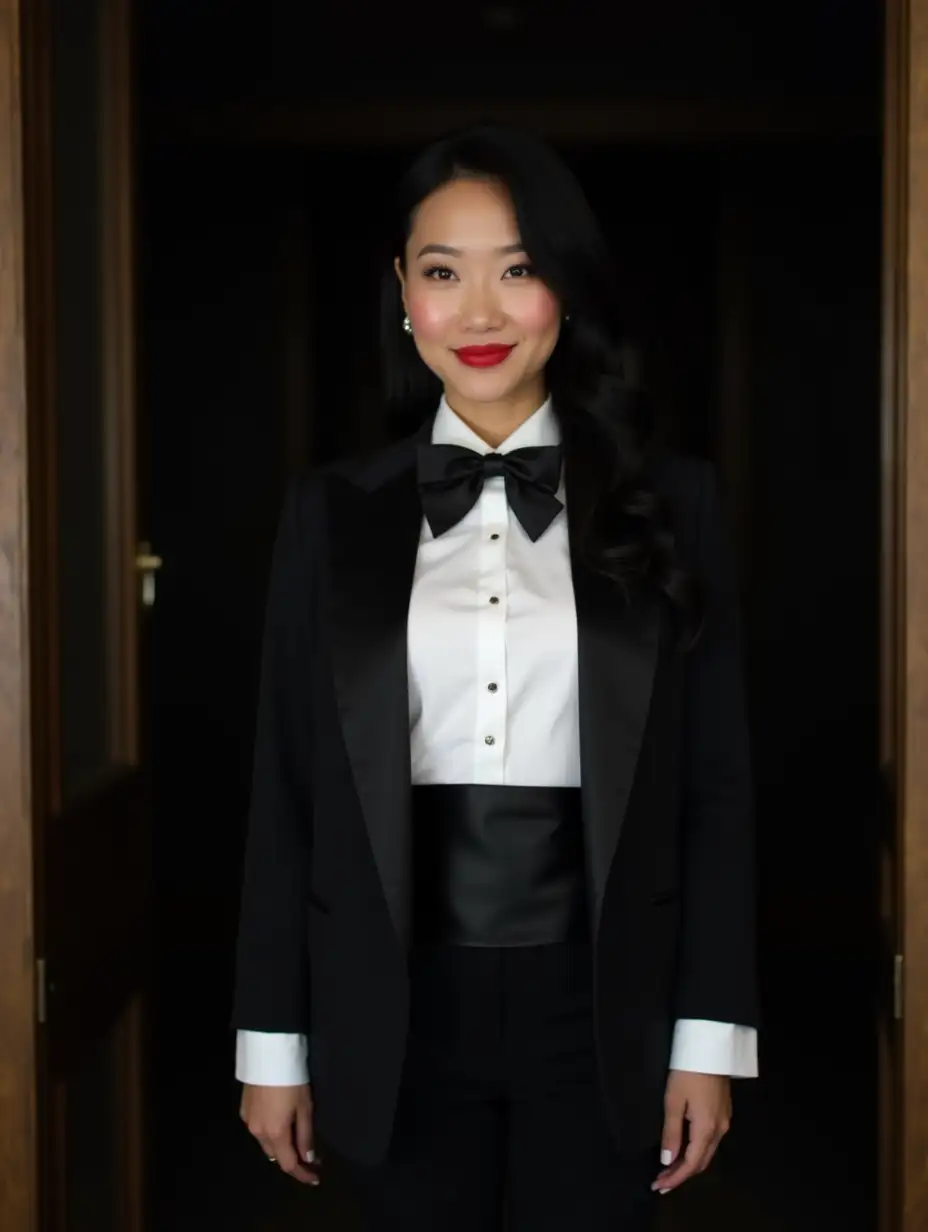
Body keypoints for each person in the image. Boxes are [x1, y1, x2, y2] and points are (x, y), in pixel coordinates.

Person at [231, 123, 758, 1232]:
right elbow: (286, 790)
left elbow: (715, 790)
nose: (477, 312)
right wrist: (271, 1044)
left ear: (564, 284)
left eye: (517, 269)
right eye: (442, 272)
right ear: (402, 292)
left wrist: (707, 1038)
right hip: (393, 999)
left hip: (606, 995)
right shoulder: (327, 514)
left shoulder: (675, 504)